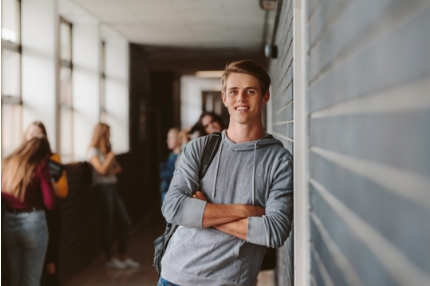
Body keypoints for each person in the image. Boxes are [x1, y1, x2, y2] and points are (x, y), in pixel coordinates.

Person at [160, 59, 293, 286]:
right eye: (233, 91)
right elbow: (172, 208)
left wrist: (203, 213)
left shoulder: (279, 160)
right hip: (175, 276)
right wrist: (244, 211)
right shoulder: (199, 148)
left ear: (265, 97)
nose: (240, 99)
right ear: (224, 98)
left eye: (250, 91)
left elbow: (274, 231)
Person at [2, 136, 57, 286]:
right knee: (31, 280)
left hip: (9, 221)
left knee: (15, 278)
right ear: (43, 154)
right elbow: (51, 204)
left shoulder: (6, 165)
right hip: (33, 223)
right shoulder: (40, 168)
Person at [87, 123, 140, 269]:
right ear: (102, 134)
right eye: (108, 133)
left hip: (112, 188)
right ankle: (110, 259)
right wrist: (110, 158)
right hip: (102, 190)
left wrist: (108, 165)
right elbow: (102, 170)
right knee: (108, 224)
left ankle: (122, 255)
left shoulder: (107, 150)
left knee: (125, 221)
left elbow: (118, 169)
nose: (110, 135)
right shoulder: (93, 151)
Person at [24, 121, 68, 286]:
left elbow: (62, 191)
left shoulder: (53, 159)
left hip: (50, 216)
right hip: (29, 217)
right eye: (31, 135)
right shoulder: (20, 160)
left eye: (39, 135)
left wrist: (44, 180)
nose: (35, 138)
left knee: (50, 265)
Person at [159, 128, 181, 204]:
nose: (167, 141)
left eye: (171, 138)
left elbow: (172, 175)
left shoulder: (180, 157)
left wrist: (162, 170)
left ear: (179, 139)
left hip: (171, 193)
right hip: (165, 190)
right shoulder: (171, 154)